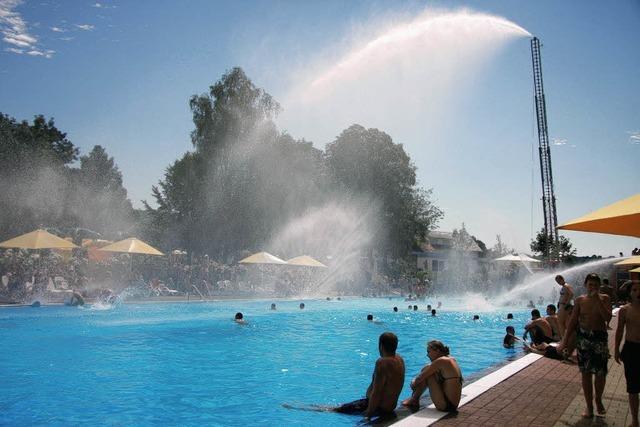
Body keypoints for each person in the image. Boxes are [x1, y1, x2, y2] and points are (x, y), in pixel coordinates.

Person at [559, 273, 612, 418]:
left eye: (595, 285)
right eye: (590, 285)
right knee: (586, 374)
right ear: (585, 285)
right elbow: (572, 322)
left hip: (599, 339)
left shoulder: (605, 299)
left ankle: (598, 400)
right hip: (583, 339)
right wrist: (564, 341)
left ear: (599, 286)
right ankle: (589, 406)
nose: (593, 288)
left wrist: (598, 301)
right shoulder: (580, 300)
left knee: (600, 373)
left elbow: (607, 319)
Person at [334, 332, 405, 419]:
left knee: (335, 409)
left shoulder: (382, 363)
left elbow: (377, 391)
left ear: (381, 346)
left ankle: (313, 408)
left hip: (378, 408)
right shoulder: (400, 359)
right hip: (390, 407)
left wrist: (369, 412)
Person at [402, 340, 463, 412]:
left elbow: (419, 379)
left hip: (445, 406)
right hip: (452, 405)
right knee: (428, 369)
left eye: (428, 352)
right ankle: (414, 399)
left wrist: (413, 382)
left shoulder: (441, 361)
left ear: (437, 351)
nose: (427, 355)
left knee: (428, 374)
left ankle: (414, 400)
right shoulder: (451, 359)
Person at [614, 281, 640, 427]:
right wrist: (616, 349)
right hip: (631, 349)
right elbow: (619, 331)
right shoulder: (625, 310)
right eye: (635, 290)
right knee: (633, 387)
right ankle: (635, 420)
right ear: (630, 293)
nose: (638, 292)